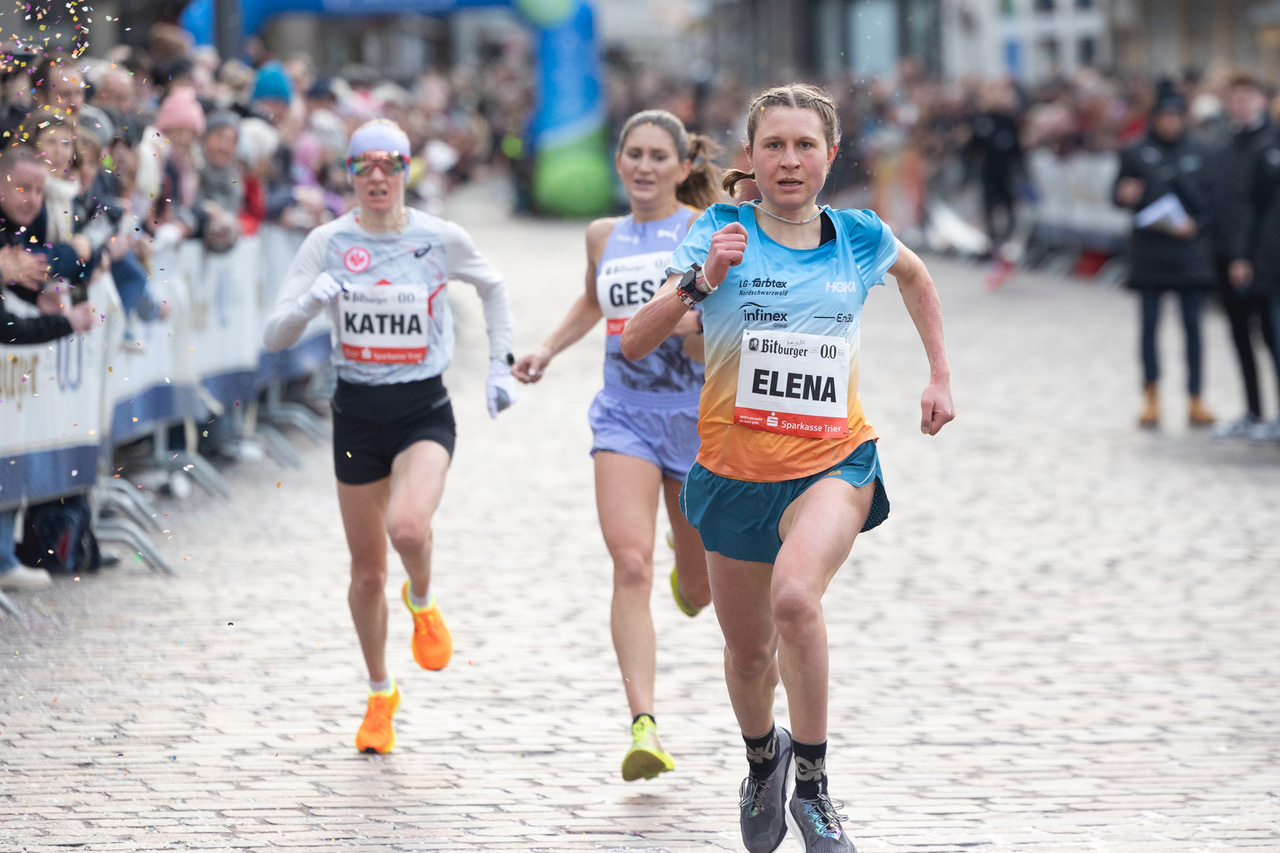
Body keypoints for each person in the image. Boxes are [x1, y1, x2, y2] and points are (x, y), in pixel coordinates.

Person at [621, 83, 954, 853]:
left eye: (806, 145)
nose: (790, 159)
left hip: (835, 461)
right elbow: (636, 341)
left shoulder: (858, 235)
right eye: (774, 145)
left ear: (831, 156)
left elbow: (917, 278)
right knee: (746, 652)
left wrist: (939, 374)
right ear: (752, 157)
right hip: (734, 472)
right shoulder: (718, 228)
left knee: (796, 599)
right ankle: (762, 757)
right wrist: (701, 280)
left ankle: (812, 784)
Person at [263, 119, 519, 753]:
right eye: (363, 166)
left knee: (407, 528)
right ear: (347, 174)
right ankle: (381, 694)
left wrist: (498, 365)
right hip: (355, 412)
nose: (377, 176)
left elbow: (494, 286)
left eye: (390, 165)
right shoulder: (327, 241)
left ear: (408, 171)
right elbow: (273, 333)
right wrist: (305, 306)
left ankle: (424, 599)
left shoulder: (439, 238)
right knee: (368, 572)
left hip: (423, 408)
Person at [511, 109, 717, 782]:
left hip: (694, 420)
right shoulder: (603, 234)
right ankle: (644, 724)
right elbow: (592, 301)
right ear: (619, 160)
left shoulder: (701, 229)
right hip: (623, 418)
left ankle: (690, 570)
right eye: (635, 153)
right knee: (628, 564)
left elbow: (724, 314)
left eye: (660, 155)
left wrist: (694, 328)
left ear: (684, 167)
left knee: (703, 588)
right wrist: (545, 347)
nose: (646, 165)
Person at [1113, 80, 1216, 430]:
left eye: (1176, 117)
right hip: (1150, 253)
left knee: (1193, 329)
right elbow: (1117, 193)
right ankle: (1151, 397)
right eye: (1165, 116)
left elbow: (1214, 201)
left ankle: (1195, 397)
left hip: (1190, 252)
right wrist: (1124, 194)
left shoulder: (1201, 151)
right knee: (1149, 329)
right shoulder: (1134, 151)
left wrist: (1197, 226)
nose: (1171, 123)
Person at [1215, 73, 1280, 441]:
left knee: (1273, 338)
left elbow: (1257, 209)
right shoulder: (1224, 147)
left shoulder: (1270, 144)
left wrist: (1248, 254)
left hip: (1265, 260)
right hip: (1229, 255)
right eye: (1234, 98)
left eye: (1248, 97)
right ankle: (1254, 410)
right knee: (1241, 336)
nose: (1241, 104)